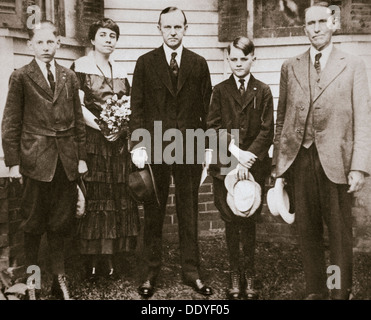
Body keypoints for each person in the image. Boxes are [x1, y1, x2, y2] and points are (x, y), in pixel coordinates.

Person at [272, 2, 371, 300]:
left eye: (321, 22)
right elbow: (282, 119)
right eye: (309, 23)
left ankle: (338, 291)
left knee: (339, 234)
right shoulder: (290, 66)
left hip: (337, 163)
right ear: (304, 27)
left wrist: (359, 166)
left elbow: (363, 120)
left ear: (333, 24)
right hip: (300, 161)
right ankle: (316, 290)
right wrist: (279, 166)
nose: (315, 28)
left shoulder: (353, 65)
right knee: (309, 232)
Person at [130, 7, 213, 298]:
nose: (173, 32)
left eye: (178, 26)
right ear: (159, 29)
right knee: (153, 213)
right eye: (168, 27)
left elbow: (208, 111)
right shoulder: (145, 63)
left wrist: (207, 149)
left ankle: (192, 272)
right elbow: (136, 108)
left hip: (189, 145)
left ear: (186, 28)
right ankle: (149, 274)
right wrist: (138, 145)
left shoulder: (199, 64)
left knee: (189, 212)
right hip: (155, 147)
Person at [1, 21, 88, 300]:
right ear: (30, 45)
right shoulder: (21, 76)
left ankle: (58, 280)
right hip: (34, 162)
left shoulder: (68, 77)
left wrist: (81, 158)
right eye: (40, 42)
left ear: (58, 43)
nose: (46, 47)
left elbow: (77, 122)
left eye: (50, 42)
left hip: (65, 161)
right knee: (33, 224)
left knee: (61, 223)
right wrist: (14, 163)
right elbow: (11, 122)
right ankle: (34, 282)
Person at [70, 18, 140, 281]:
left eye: (113, 36)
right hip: (94, 141)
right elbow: (78, 106)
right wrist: (103, 125)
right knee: (97, 195)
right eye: (103, 35)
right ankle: (92, 260)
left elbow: (129, 103)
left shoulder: (120, 70)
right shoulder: (80, 66)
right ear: (92, 39)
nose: (109, 40)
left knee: (118, 194)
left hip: (117, 143)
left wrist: (121, 125)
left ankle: (114, 257)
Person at [206, 37, 274, 300]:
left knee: (249, 219)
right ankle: (235, 273)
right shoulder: (220, 90)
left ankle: (250, 273)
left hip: (255, 166)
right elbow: (212, 127)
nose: (238, 64)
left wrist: (250, 158)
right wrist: (236, 155)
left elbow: (267, 130)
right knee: (231, 219)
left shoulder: (263, 90)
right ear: (228, 60)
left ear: (253, 58)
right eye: (233, 59)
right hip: (226, 164)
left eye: (243, 59)